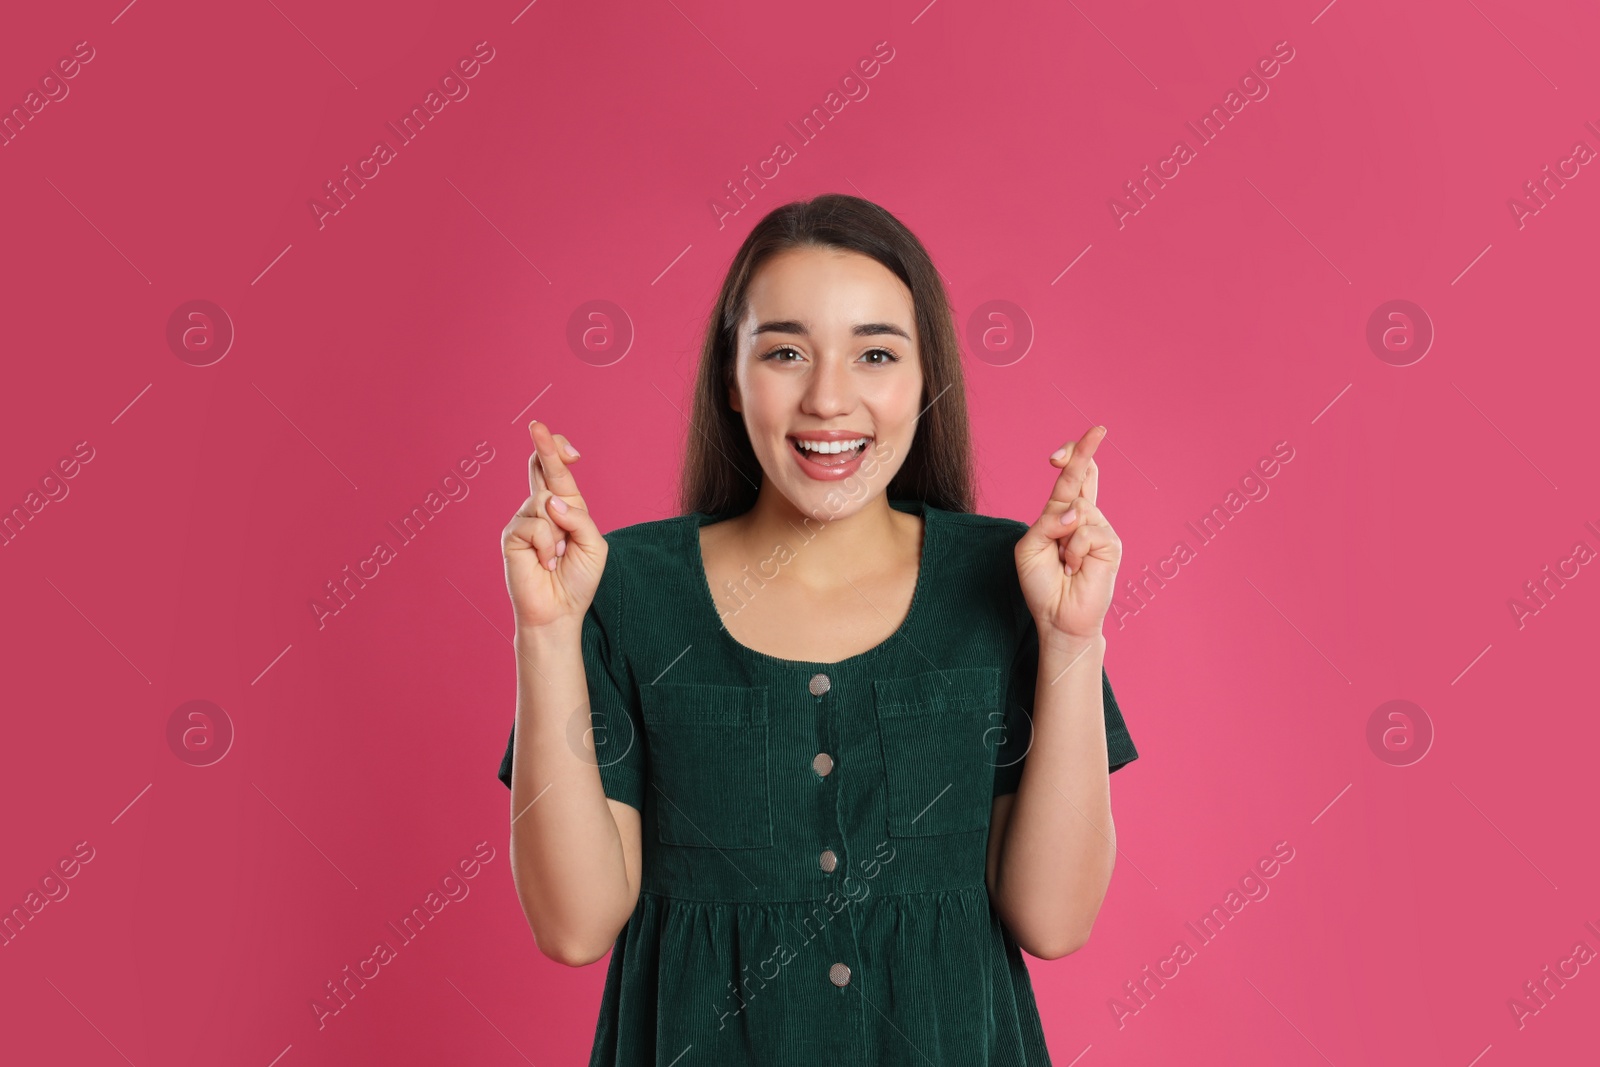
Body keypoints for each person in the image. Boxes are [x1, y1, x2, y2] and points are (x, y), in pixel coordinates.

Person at [495, 193, 1139, 1065]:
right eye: (786, 351)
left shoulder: (1013, 583)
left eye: (876, 352)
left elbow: (1055, 921)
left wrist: (1070, 641)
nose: (829, 398)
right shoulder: (623, 589)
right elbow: (573, 927)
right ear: (731, 374)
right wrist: (546, 628)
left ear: (925, 378)